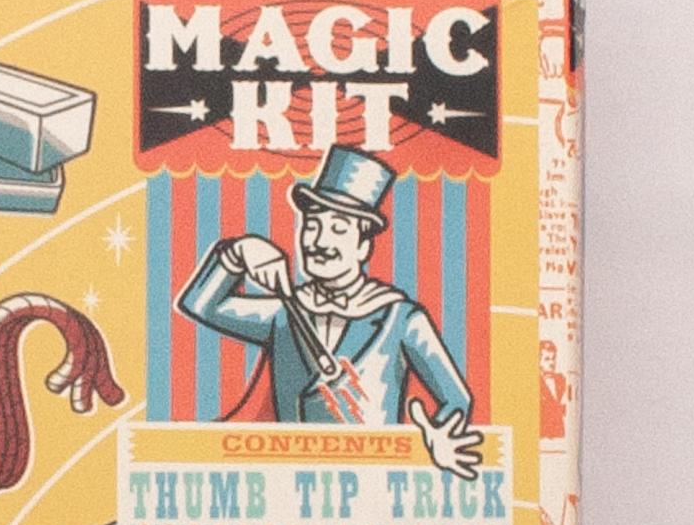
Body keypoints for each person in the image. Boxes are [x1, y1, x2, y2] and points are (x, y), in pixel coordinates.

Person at [176, 144, 481, 478]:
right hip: (291, 486)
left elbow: (456, 399)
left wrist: (435, 441)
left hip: (372, 487)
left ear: (363, 245)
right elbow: (200, 304)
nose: (319, 241)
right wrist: (239, 253)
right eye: (311, 225)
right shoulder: (285, 312)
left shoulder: (402, 319)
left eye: (338, 229)